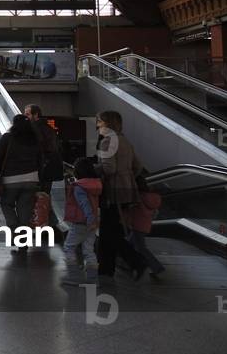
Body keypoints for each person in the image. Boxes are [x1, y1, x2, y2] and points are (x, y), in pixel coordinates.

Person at [95, 110, 147, 281]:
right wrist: (127, 177)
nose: (97, 125)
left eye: (100, 122)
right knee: (112, 230)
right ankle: (106, 270)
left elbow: (109, 168)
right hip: (127, 190)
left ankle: (136, 261)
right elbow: (138, 166)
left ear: (107, 124)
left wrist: (92, 169)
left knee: (109, 232)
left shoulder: (107, 142)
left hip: (113, 192)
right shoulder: (124, 141)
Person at [0, 114, 41, 252]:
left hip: (11, 179)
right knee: (25, 209)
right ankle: (23, 239)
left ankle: (14, 228)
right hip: (32, 179)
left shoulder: (8, 137)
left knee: (6, 204)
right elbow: (41, 159)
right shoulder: (35, 139)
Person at [62, 158, 101, 285]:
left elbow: (84, 204)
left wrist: (90, 219)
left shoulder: (79, 187)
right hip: (93, 222)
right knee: (88, 250)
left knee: (69, 247)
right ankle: (92, 278)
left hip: (81, 222)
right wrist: (93, 221)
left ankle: (73, 276)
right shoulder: (95, 185)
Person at [25, 104, 64, 232]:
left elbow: (39, 148)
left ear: (36, 114)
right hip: (50, 167)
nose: (25, 116)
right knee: (45, 195)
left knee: (37, 196)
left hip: (42, 168)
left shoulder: (35, 128)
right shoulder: (48, 127)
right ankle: (51, 223)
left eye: (28, 114)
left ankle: (42, 225)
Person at [126, 177, 165, 277]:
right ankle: (131, 264)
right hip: (145, 225)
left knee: (141, 248)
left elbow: (131, 209)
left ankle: (156, 267)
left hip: (137, 225)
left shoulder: (139, 197)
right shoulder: (155, 197)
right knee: (129, 245)